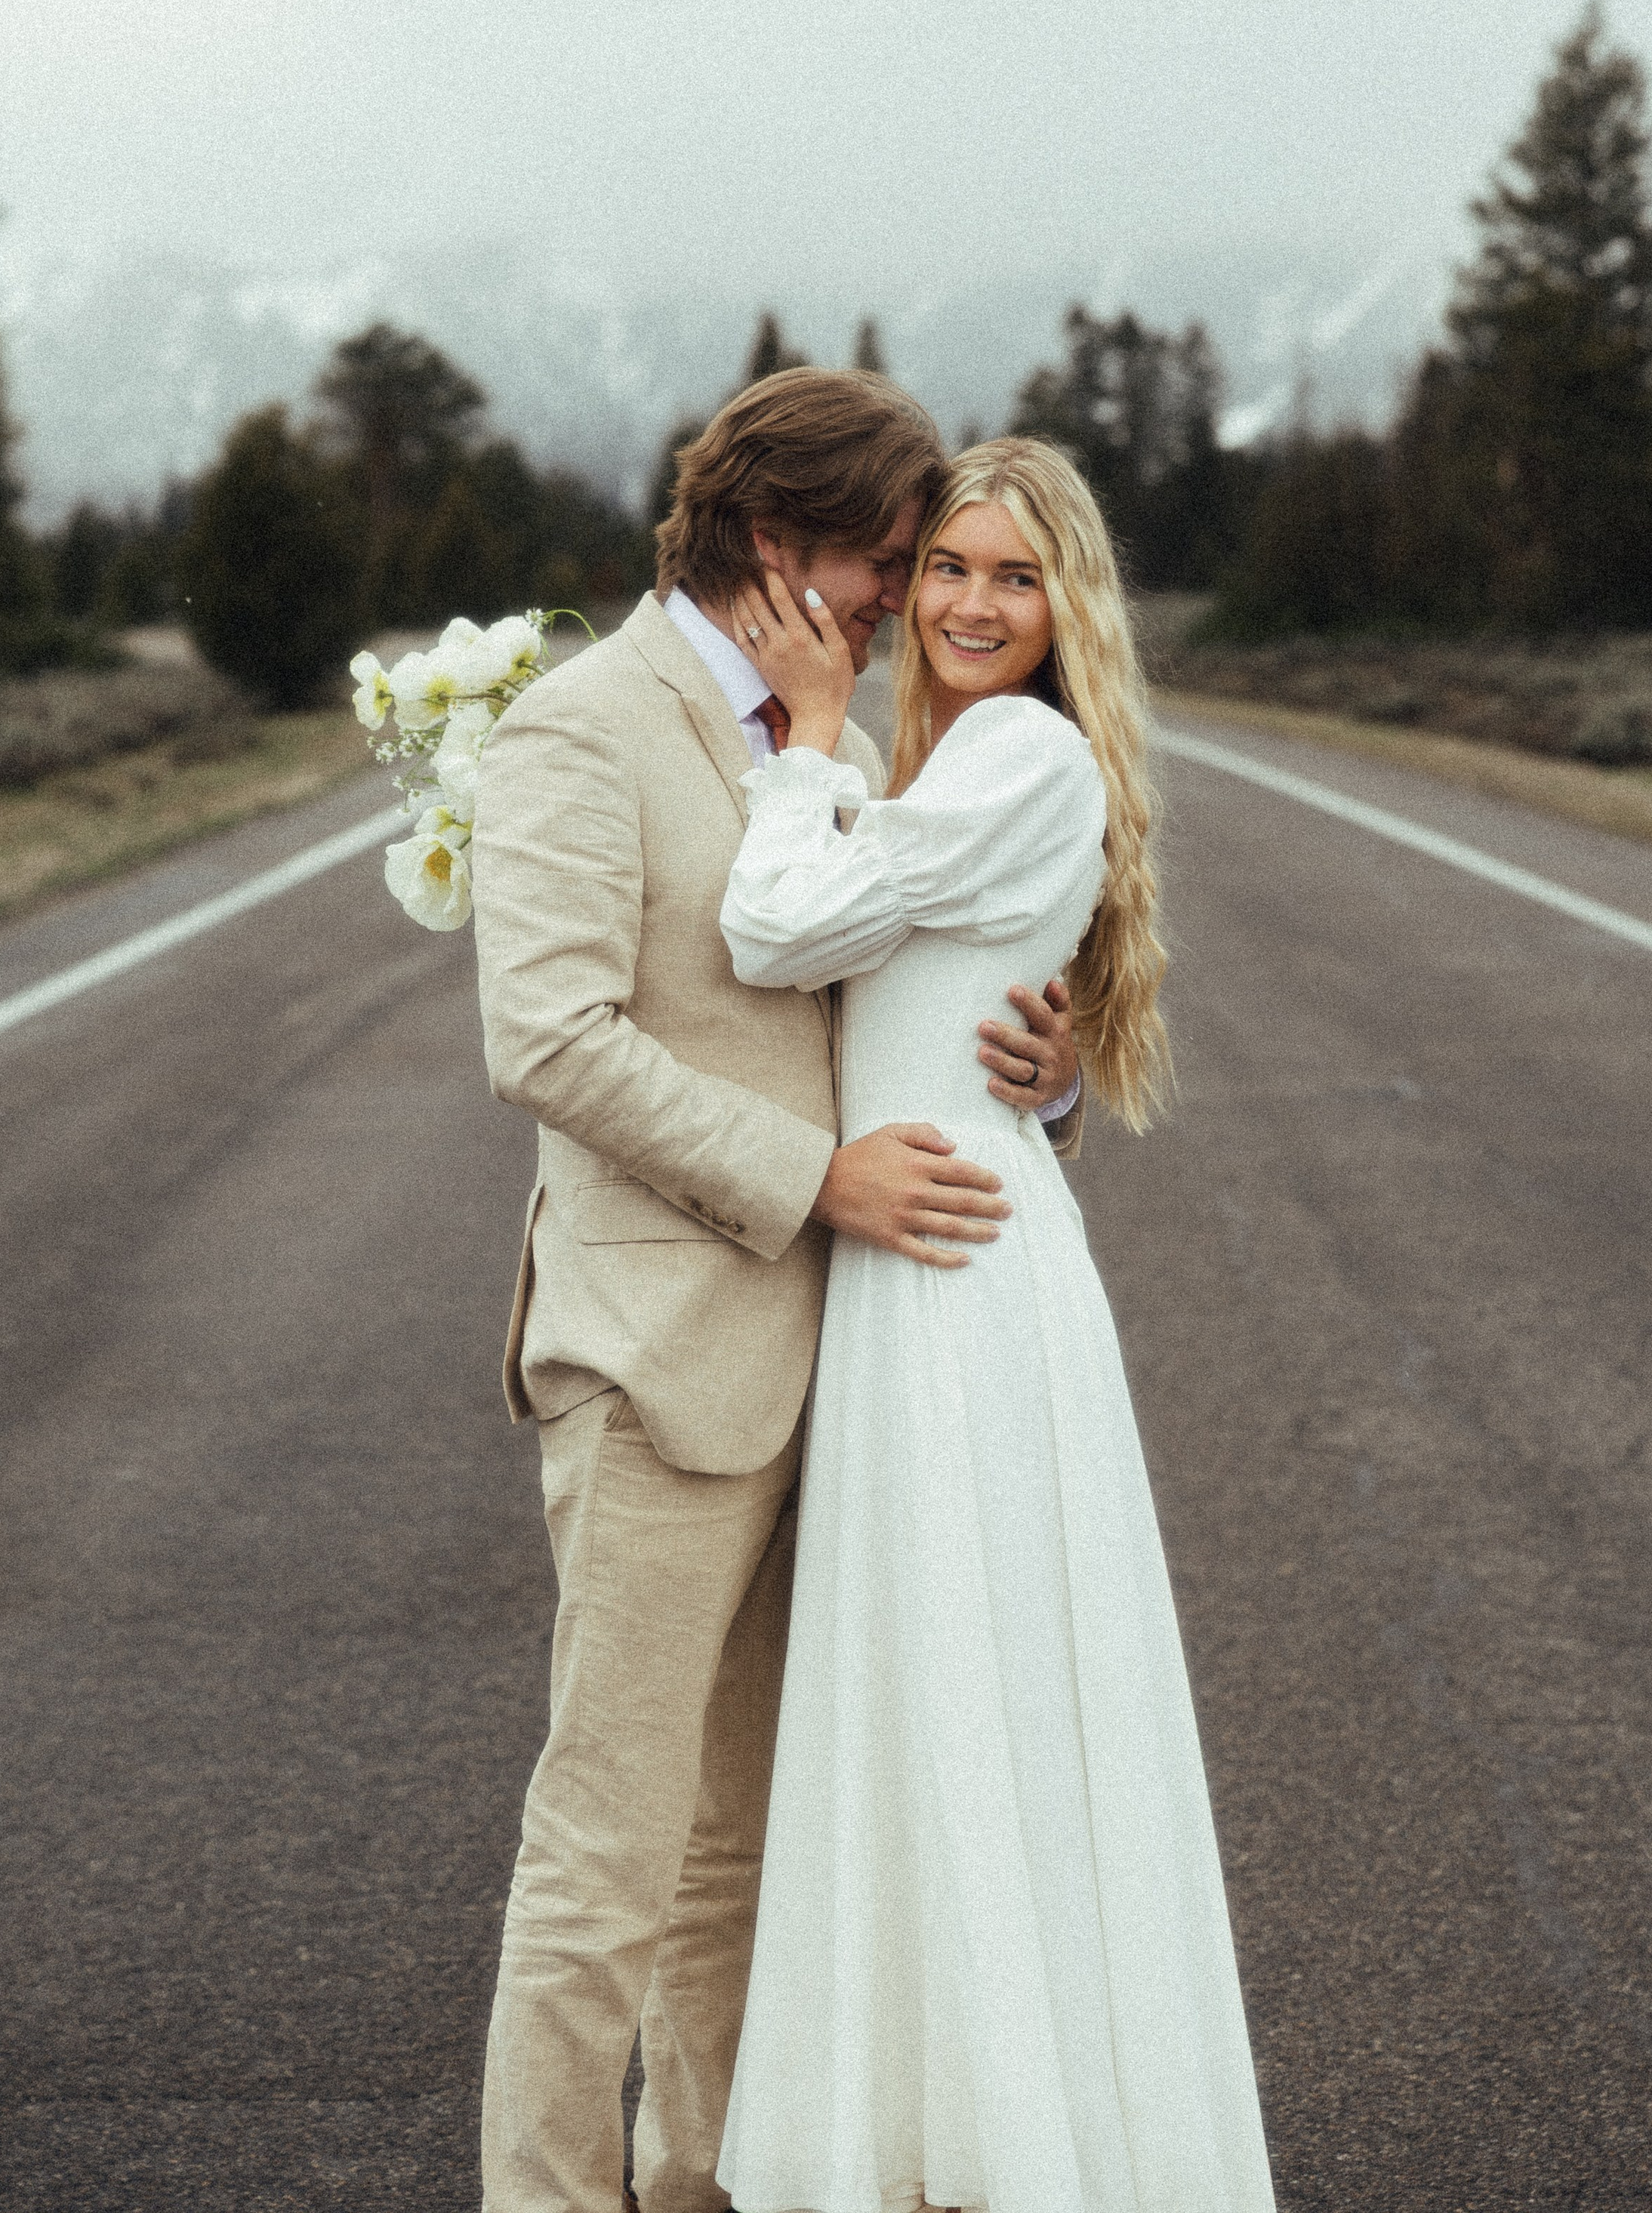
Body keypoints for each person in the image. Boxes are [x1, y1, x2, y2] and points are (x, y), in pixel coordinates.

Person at [468, 371, 1086, 2213]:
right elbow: (549, 1038)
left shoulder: (842, 726)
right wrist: (809, 1178)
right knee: (609, 1856)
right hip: (663, 1364)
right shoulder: (587, 727)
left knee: (753, 1854)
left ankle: (706, 2185)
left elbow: (888, 968)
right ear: (770, 542)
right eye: (886, 562)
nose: (909, 599)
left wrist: (1031, 1072)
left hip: (862, 1368)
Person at [714, 435, 1276, 2213]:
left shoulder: (1019, 753)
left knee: (967, 1677)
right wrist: (1039, 1093)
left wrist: (800, 742)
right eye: (945, 567)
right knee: (945, 1684)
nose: (965, 603)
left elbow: (773, 924)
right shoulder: (952, 766)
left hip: (954, 1276)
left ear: (1065, 608)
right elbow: (943, 1013)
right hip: (935, 1245)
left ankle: (1011, 2153)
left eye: (1011, 577)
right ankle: (962, 2130)